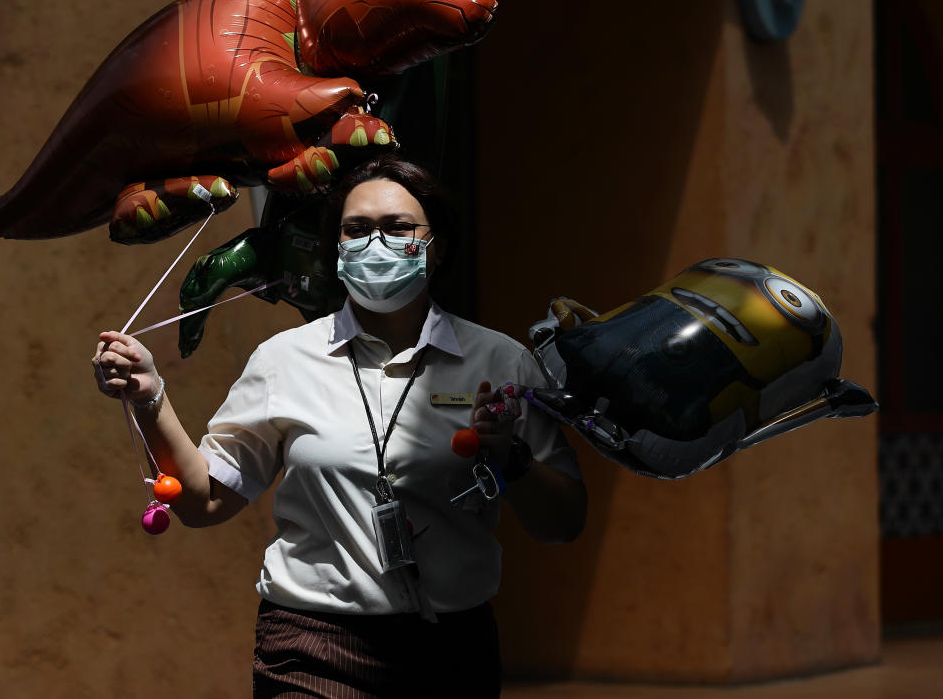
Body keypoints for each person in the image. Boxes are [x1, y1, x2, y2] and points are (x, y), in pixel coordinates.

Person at [93, 155, 586, 697]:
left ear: (437, 247)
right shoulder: (284, 360)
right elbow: (205, 500)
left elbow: (563, 523)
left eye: (398, 228)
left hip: (452, 651)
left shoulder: (501, 362)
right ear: (338, 250)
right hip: (313, 645)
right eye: (357, 230)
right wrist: (150, 398)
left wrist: (512, 460)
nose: (375, 244)